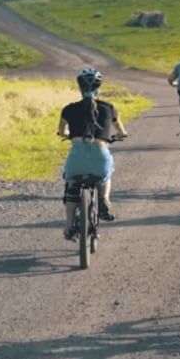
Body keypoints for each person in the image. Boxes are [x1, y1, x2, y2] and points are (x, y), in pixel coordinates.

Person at [57, 66, 127, 238]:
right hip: (100, 155)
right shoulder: (109, 108)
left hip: (77, 158)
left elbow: (61, 131)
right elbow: (122, 132)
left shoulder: (68, 109)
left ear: (79, 88)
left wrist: (68, 135)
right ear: (99, 88)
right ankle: (104, 198)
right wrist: (118, 135)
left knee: (72, 186)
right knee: (105, 176)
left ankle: (69, 227)